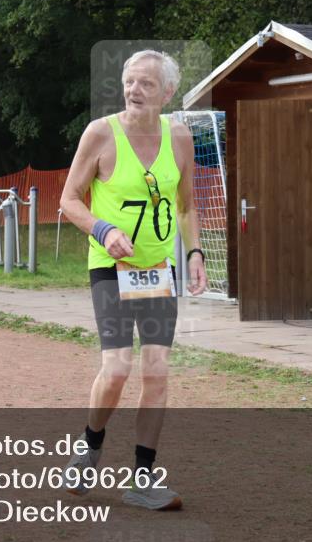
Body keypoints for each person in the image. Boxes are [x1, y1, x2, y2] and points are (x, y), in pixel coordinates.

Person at [59, 50, 207, 510]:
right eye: (129, 81)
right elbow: (69, 199)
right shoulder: (101, 134)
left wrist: (195, 252)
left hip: (157, 269)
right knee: (118, 368)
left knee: (157, 371)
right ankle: (90, 444)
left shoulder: (179, 136)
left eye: (146, 83)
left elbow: (186, 205)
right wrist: (104, 230)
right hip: (111, 266)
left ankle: (143, 478)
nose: (134, 90)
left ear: (168, 92)